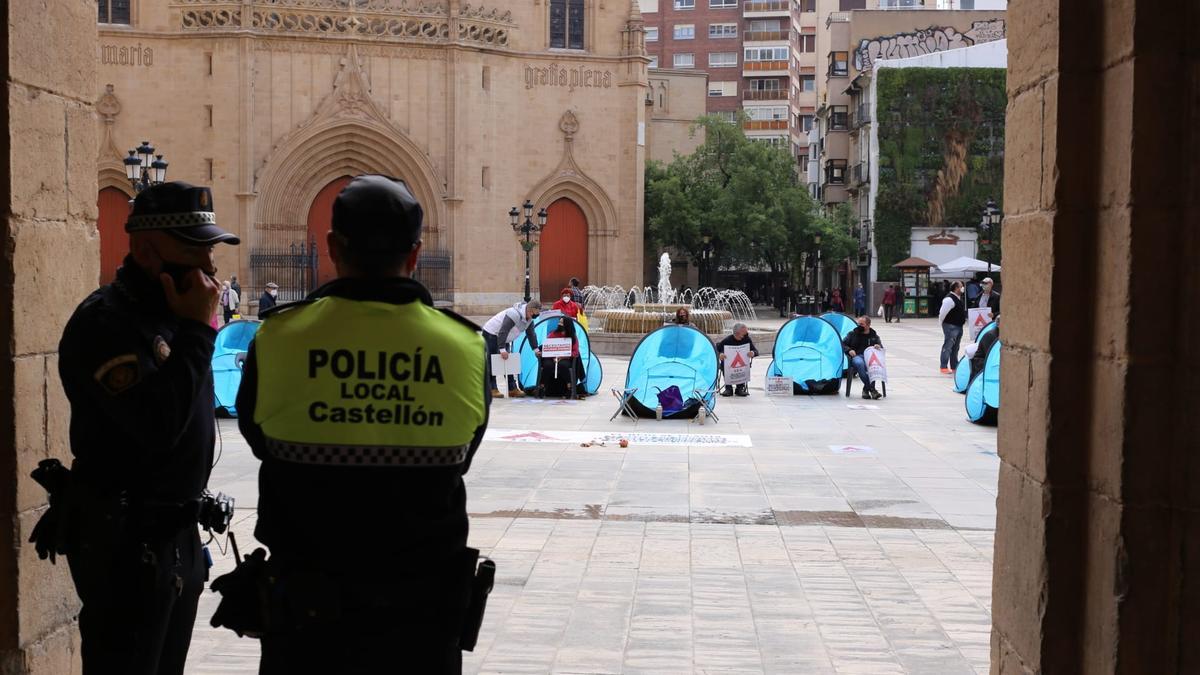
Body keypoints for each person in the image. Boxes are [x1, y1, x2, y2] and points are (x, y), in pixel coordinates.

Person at [233, 175, 491, 673]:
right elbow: (466, 450)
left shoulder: (279, 338)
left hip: (306, 616)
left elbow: (258, 438)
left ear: (331, 247)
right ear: (415, 255)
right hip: (421, 616)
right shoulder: (464, 347)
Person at [47, 181, 237, 674]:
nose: (210, 268)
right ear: (148, 250)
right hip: (125, 542)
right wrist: (198, 331)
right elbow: (156, 425)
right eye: (194, 251)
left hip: (174, 536)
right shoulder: (107, 322)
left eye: (209, 250)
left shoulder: (170, 315)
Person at [481, 300, 541, 397]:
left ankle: (512, 388)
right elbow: (503, 331)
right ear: (529, 310)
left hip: (505, 338)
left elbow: (531, 335)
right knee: (493, 362)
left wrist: (536, 349)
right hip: (492, 333)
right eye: (534, 315)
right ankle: (491, 388)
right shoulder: (514, 314)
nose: (534, 317)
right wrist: (502, 349)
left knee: (509, 363)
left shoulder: (529, 320)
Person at [543, 316, 586, 398]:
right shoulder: (553, 334)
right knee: (547, 365)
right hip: (552, 358)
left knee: (563, 365)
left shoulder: (573, 337)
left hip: (566, 358)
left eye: (561, 322)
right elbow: (547, 346)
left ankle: (569, 388)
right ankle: (541, 387)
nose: (559, 324)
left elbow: (575, 352)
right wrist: (553, 357)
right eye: (559, 322)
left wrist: (563, 356)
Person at [843, 315, 883, 399]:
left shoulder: (874, 335)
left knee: (872, 366)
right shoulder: (852, 334)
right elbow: (843, 344)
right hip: (857, 356)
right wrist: (849, 350)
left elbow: (881, 346)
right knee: (860, 363)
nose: (859, 326)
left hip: (870, 358)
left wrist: (878, 346)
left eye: (862, 324)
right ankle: (872, 389)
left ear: (868, 325)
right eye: (858, 324)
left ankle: (866, 390)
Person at [715, 323, 758, 397]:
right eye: (744, 333)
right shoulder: (727, 340)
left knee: (742, 367)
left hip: (741, 364)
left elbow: (756, 351)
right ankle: (728, 388)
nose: (746, 335)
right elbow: (717, 350)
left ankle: (740, 388)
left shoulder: (747, 339)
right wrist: (720, 355)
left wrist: (752, 353)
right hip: (729, 365)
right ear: (737, 333)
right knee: (724, 364)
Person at [938, 281, 967, 374]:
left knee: (956, 347)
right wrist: (941, 322)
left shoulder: (959, 298)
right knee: (948, 346)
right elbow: (942, 313)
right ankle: (943, 366)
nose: (962, 288)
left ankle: (954, 365)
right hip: (950, 326)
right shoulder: (949, 299)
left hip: (958, 326)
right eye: (961, 286)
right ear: (956, 288)